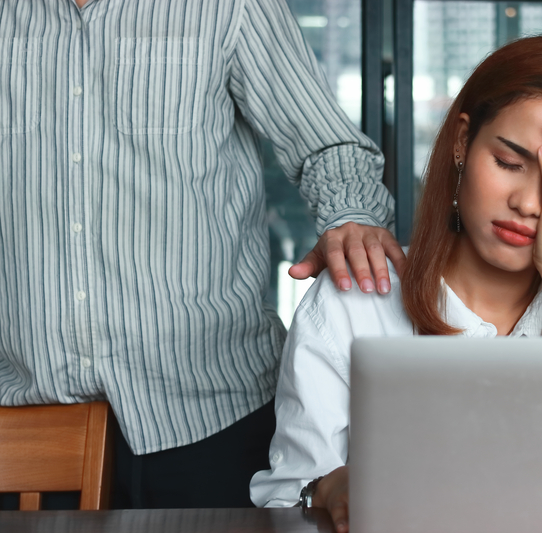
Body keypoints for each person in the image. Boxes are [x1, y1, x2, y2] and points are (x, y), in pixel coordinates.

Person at [249, 33, 542, 531]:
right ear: (463, 142)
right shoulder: (355, 301)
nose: (529, 203)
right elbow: (286, 493)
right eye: (510, 164)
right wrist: (328, 487)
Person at [0, 0, 404, 509]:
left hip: (214, 412)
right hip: (30, 421)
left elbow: (327, 145)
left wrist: (350, 219)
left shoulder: (229, 6)